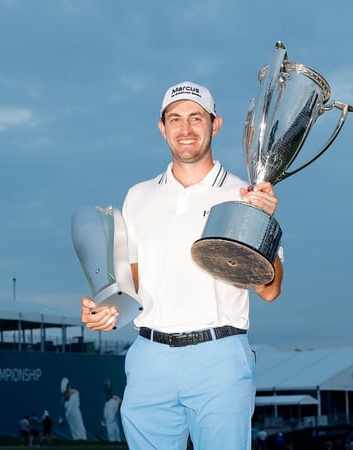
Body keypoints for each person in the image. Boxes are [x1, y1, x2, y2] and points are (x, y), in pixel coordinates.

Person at [80, 81, 284, 450]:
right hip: (149, 358)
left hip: (218, 354)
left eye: (196, 118)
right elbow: (135, 282)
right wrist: (106, 308)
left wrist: (261, 224)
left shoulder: (245, 194)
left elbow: (270, 290)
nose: (185, 130)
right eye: (175, 119)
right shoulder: (138, 196)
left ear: (215, 124)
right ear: (162, 127)